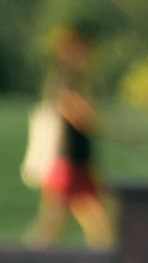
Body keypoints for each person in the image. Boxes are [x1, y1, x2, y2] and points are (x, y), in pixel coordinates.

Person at [23, 25, 113, 247]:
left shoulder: (74, 79)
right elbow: (79, 115)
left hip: (79, 163)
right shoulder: (64, 79)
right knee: (54, 221)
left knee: (97, 221)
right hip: (66, 163)